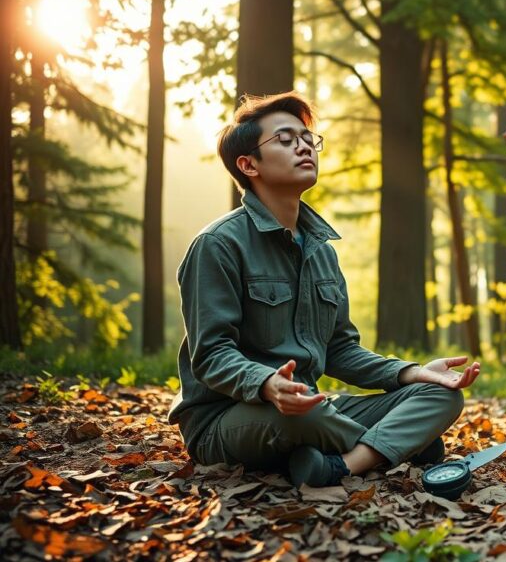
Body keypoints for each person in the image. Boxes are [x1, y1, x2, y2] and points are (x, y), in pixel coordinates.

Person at [167, 91, 479, 488]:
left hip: (310, 407)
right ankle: (400, 448)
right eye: (284, 139)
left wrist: (412, 373)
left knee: (443, 396)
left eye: (307, 138)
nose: (303, 146)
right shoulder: (218, 244)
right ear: (248, 164)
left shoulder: (320, 252)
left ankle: (343, 465)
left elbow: (340, 350)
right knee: (310, 416)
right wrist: (266, 384)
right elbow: (210, 356)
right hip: (226, 419)